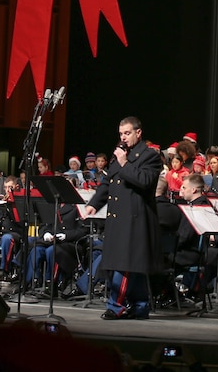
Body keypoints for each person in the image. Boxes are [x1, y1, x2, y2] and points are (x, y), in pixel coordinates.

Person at [83, 116, 163, 320]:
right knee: (129, 265)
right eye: (121, 134)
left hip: (135, 219)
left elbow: (144, 181)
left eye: (127, 133)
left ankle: (115, 306)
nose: (123, 138)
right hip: (118, 218)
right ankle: (140, 305)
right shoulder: (120, 155)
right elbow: (108, 182)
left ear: (138, 132)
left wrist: (124, 162)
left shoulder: (150, 156)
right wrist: (93, 204)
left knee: (125, 265)